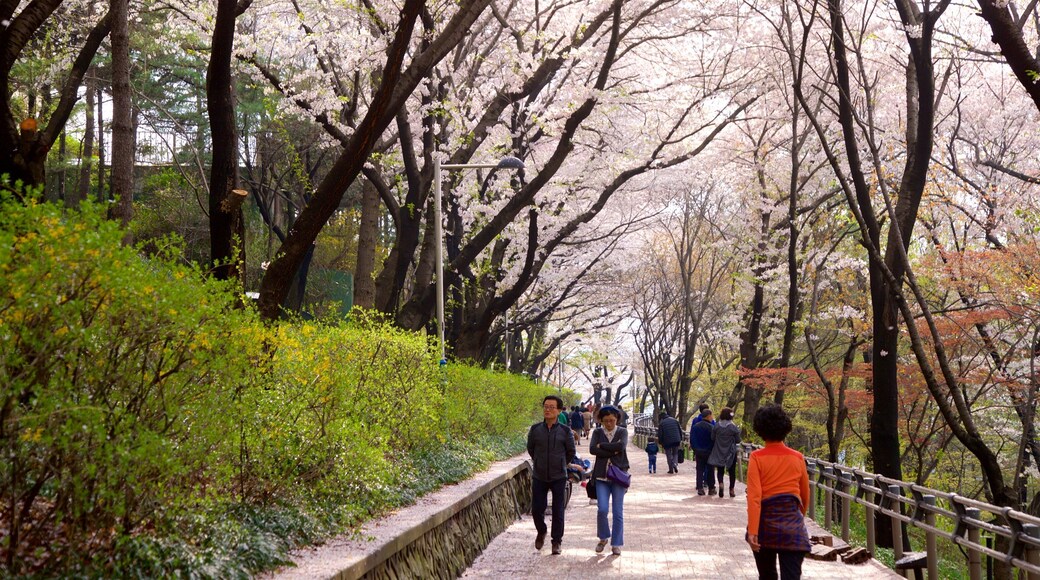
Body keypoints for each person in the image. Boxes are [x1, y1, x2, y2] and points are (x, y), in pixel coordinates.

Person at [746, 404, 811, 580]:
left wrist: (753, 531)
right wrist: (798, 519)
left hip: (764, 525)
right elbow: (805, 495)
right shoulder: (797, 457)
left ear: (760, 430)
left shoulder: (756, 457)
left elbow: (754, 498)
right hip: (792, 524)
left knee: (767, 576)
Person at [527, 395, 576, 555]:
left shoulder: (565, 431)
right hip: (539, 475)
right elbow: (531, 449)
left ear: (559, 411)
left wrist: (561, 463)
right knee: (537, 509)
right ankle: (541, 531)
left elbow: (571, 452)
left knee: (558, 510)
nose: (547, 410)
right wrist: (539, 461)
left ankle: (556, 541)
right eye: (546, 406)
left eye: (551, 407)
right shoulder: (535, 429)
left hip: (558, 476)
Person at [589, 405, 629, 556]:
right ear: (601, 420)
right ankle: (603, 537)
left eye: (612, 420)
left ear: (617, 419)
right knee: (602, 509)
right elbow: (593, 449)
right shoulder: (597, 432)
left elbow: (622, 446)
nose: (609, 423)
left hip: (618, 476)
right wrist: (613, 450)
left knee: (618, 512)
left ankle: (616, 543)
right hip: (601, 476)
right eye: (606, 421)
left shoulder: (622, 431)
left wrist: (603, 446)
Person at [709, 407, 741, 497]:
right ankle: (731, 490)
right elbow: (738, 440)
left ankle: (721, 484)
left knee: (720, 470)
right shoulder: (733, 427)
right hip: (731, 452)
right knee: (732, 471)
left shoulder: (717, 426)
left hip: (719, 451)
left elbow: (712, 438)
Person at [690, 408, 716, 495]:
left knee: (700, 470)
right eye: (711, 415)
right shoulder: (712, 427)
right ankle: (711, 488)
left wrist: (696, 449)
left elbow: (692, 440)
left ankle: (700, 488)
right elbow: (714, 440)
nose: (712, 417)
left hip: (699, 452)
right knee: (710, 470)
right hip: (709, 452)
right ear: (708, 416)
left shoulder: (695, 427)